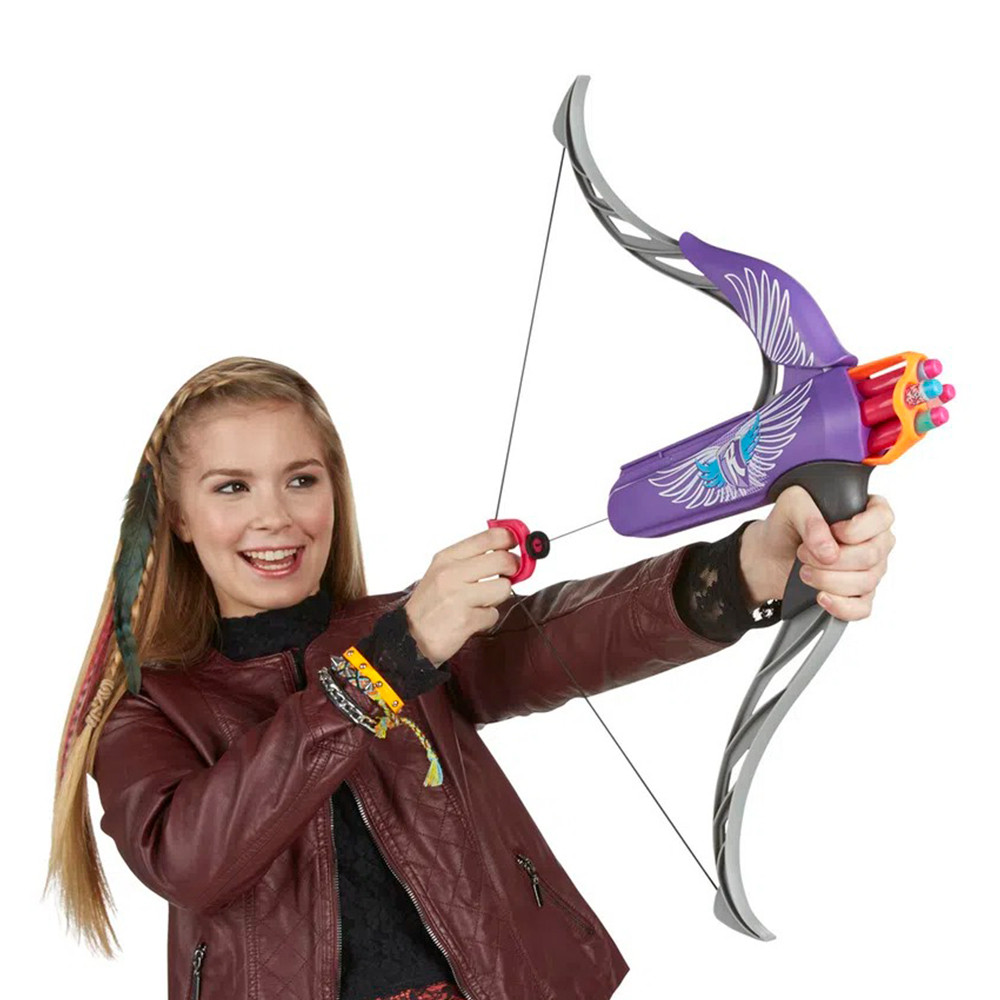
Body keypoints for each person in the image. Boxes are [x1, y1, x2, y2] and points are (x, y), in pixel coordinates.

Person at [45, 356, 895, 1000]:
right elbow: (191, 857)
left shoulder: (408, 629)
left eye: (301, 480)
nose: (274, 516)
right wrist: (394, 656)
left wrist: (754, 565)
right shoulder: (149, 707)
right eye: (232, 487)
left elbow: (566, 634)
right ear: (179, 515)